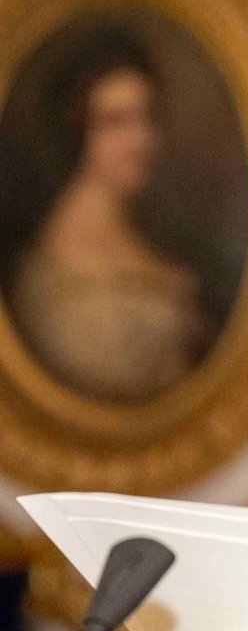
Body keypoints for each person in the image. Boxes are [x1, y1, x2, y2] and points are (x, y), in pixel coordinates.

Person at [7, 32, 212, 401]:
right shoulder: (59, 264)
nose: (141, 140)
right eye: (116, 122)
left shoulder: (144, 232)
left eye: (146, 117)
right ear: (77, 130)